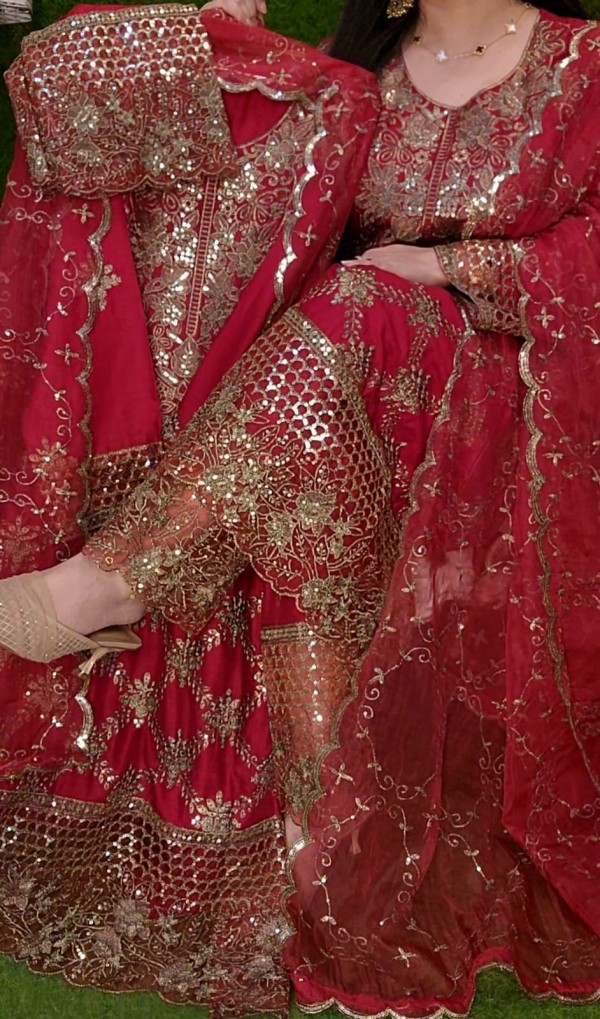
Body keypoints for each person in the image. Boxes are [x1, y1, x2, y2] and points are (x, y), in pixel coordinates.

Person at [0, 0, 598, 1016]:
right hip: (346, 407)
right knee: (306, 429)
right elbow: (73, 102)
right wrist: (216, 44)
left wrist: (448, 268)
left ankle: (111, 580)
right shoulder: (355, 73)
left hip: (517, 401)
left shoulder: (584, 67)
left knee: (355, 317)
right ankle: (329, 872)